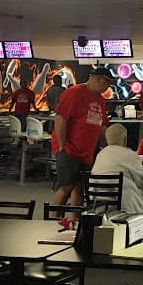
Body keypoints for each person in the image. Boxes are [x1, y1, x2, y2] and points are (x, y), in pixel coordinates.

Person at [50, 67, 113, 208]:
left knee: (79, 188)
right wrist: (62, 146)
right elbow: (60, 119)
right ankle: (52, 218)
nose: (108, 87)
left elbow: (102, 126)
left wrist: (107, 147)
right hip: (70, 149)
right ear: (97, 79)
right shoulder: (75, 93)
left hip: (86, 152)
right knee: (66, 187)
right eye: (107, 83)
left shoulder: (100, 100)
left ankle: (74, 218)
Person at [92, 124, 143, 214]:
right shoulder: (130, 154)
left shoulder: (100, 155)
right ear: (125, 140)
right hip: (125, 206)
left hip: (100, 206)